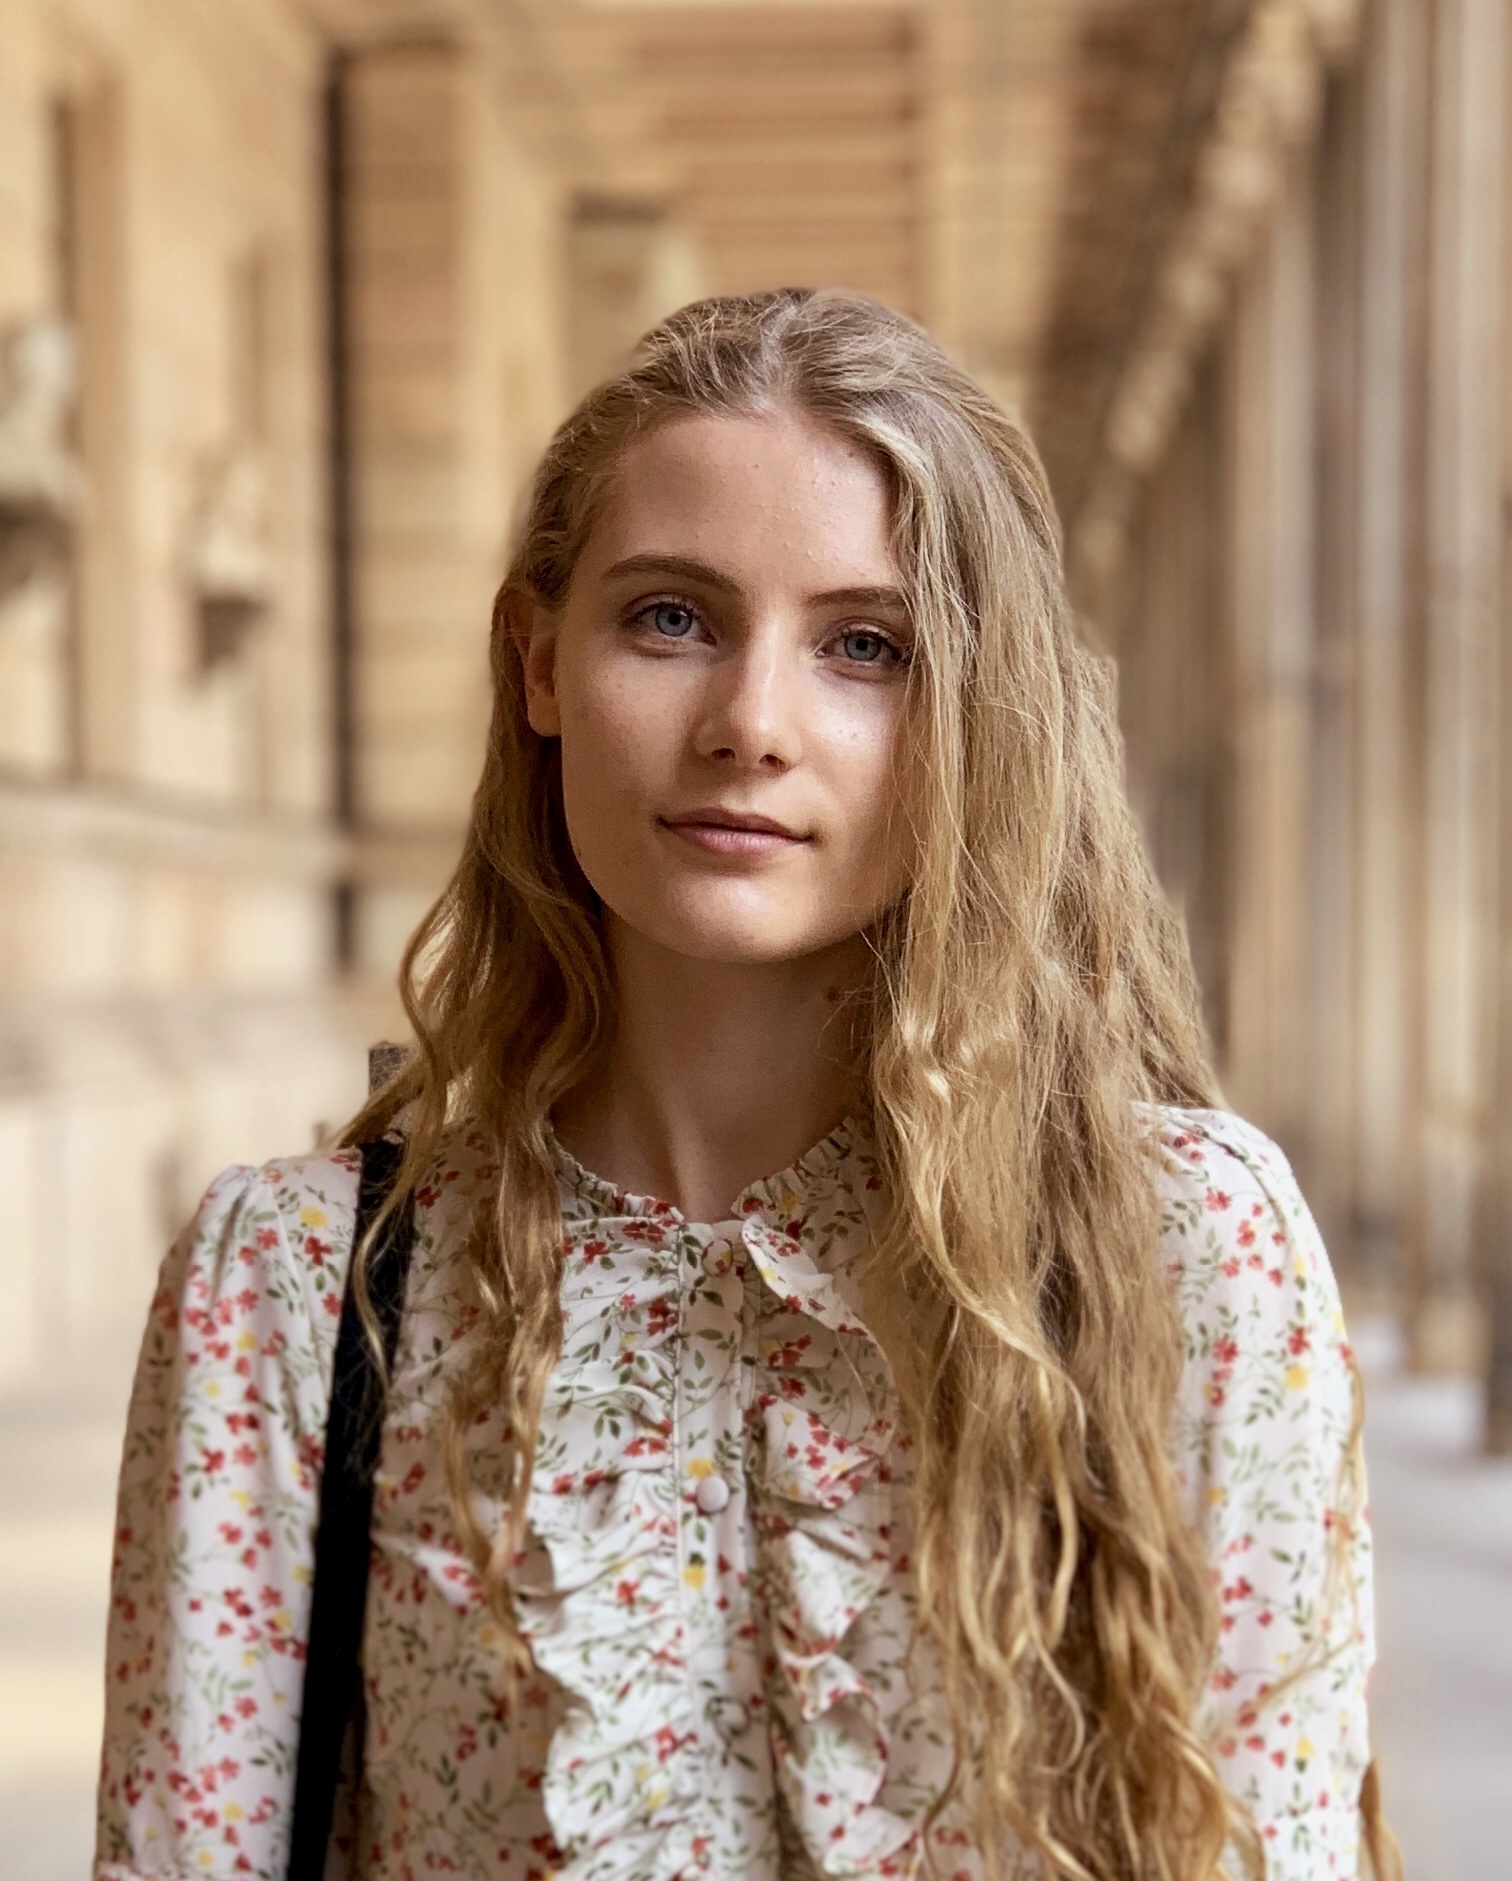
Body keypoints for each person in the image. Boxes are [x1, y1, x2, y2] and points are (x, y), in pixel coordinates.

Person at [96, 290, 1391, 1881]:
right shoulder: (302, 1291)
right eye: (671, 618)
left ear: (978, 709)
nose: (750, 725)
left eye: (866, 646)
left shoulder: (1182, 1245)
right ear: (538, 662)